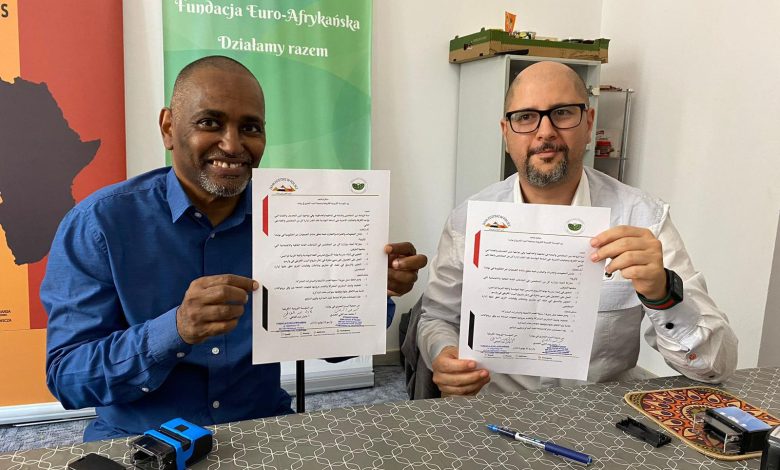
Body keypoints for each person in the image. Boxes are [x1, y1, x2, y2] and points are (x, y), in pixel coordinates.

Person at [42, 56, 427, 441]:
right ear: (168, 128)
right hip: (144, 440)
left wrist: (369, 291)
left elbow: (336, 349)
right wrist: (174, 329)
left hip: (260, 427)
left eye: (250, 128)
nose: (232, 144)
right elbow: (68, 378)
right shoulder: (100, 224)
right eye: (210, 122)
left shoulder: (295, 219)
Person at [418, 61, 737, 396]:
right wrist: (443, 353)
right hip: (493, 408)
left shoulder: (642, 219)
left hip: (602, 414)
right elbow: (437, 317)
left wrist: (663, 295)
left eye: (562, 113)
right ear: (505, 132)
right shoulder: (467, 221)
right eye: (525, 117)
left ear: (588, 123)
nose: (545, 132)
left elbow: (716, 367)